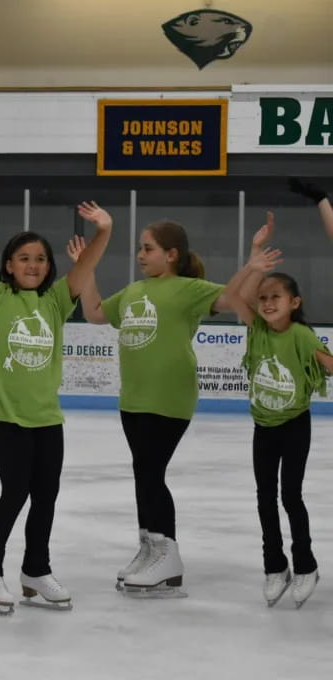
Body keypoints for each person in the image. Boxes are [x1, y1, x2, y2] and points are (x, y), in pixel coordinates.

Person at [0, 187, 113, 613]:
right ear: (9, 266)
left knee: (46, 495)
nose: (33, 265)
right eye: (23, 258)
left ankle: (36, 570)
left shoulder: (56, 300)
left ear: (49, 266)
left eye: (40, 259)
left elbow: (87, 265)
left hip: (46, 416)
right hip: (6, 415)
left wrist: (104, 230)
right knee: (14, 492)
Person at [79, 218, 252, 596]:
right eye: (140, 248)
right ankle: (150, 548)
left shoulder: (188, 289)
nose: (140, 255)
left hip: (170, 396)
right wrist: (86, 267)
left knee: (151, 472)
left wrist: (251, 266)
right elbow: (93, 312)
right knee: (143, 473)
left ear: (172, 255)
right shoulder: (133, 290)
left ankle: (168, 557)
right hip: (134, 397)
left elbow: (230, 299)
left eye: (148, 248)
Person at [224, 225, 333, 609]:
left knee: (291, 496)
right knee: (264, 498)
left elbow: (329, 366)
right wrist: (254, 255)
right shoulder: (255, 328)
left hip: (294, 425)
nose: (268, 302)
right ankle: (275, 566)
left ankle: (305, 565)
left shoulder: (302, 336)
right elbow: (233, 295)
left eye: (276, 297)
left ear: (295, 302)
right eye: (264, 297)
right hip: (263, 427)